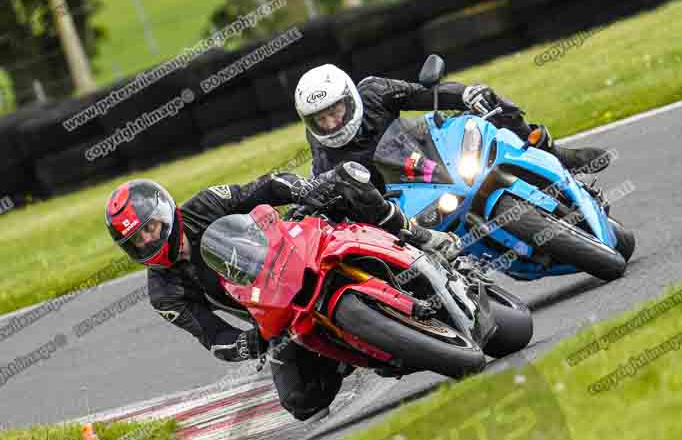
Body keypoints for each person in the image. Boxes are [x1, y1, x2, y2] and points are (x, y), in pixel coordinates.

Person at [104, 162, 460, 420]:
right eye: (137, 239)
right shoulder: (164, 292)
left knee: (346, 184)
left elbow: (264, 187)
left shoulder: (206, 204)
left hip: (298, 251)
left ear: (164, 211)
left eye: (149, 227)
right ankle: (344, 353)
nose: (148, 239)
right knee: (301, 402)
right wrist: (248, 342)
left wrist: (302, 189)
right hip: (276, 313)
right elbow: (212, 336)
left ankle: (420, 237)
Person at [295, 64, 610, 192]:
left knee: (485, 98)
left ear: (349, 99)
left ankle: (551, 153)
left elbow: (425, 93)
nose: (332, 123)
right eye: (321, 120)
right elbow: (331, 194)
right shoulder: (323, 154)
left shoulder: (374, 91)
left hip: (429, 150)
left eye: (335, 112)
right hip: (403, 199)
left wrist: (464, 95)